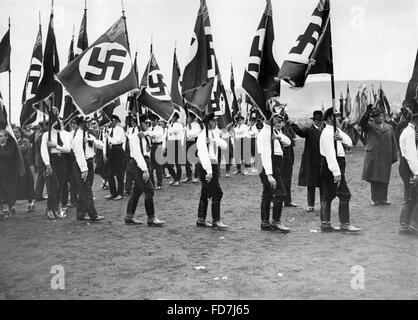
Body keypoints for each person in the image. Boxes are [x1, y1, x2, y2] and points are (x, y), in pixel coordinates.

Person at [319, 108, 361, 232]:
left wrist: (340, 138)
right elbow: (330, 155)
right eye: (336, 116)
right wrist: (336, 173)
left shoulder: (336, 130)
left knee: (329, 195)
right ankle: (344, 224)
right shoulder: (327, 133)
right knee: (345, 194)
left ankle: (325, 224)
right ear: (329, 119)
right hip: (331, 166)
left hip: (337, 165)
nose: (339, 118)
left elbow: (350, 142)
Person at [125, 114, 165, 226]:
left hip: (145, 161)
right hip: (138, 164)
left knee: (137, 191)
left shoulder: (147, 134)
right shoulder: (134, 137)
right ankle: (151, 218)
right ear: (140, 123)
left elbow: (159, 134)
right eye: (145, 123)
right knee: (149, 190)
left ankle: (129, 216)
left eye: (149, 123)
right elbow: (137, 154)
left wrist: (146, 133)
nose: (148, 125)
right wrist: (145, 170)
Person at [257, 110, 291, 232]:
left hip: (275, 163)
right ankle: (276, 221)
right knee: (280, 192)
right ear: (268, 118)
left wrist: (279, 136)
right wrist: (270, 175)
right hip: (268, 164)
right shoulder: (265, 133)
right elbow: (265, 154)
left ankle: (265, 222)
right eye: (275, 117)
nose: (278, 120)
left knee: (267, 193)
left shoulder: (274, 131)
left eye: (279, 117)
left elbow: (288, 142)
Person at [359, 105, 398, 206]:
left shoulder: (389, 127)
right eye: (376, 116)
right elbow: (362, 124)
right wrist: (367, 113)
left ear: (383, 115)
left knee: (384, 177)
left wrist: (394, 156)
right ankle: (374, 199)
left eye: (381, 115)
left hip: (386, 156)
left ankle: (383, 199)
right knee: (375, 178)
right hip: (374, 156)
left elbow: (393, 142)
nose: (379, 117)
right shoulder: (370, 126)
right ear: (373, 118)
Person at [195, 113, 228, 229]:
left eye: (216, 121)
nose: (215, 123)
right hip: (206, 166)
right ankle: (216, 220)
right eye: (213, 121)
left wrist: (213, 140)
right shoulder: (201, 136)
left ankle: (201, 219)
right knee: (217, 192)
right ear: (207, 123)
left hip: (213, 164)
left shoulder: (214, 134)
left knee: (206, 192)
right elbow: (203, 155)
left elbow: (224, 146)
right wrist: (209, 171)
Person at [71, 117, 105, 222]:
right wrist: (84, 169)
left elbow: (101, 145)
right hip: (82, 164)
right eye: (87, 122)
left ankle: (81, 214)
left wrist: (92, 140)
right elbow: (79, 153)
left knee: (85, 189)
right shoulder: (78, 137)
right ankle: (93, 215)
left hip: (89, 162)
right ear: (81, 123)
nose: (89, 124)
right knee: (87, 190)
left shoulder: (88, 135)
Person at [291, 110, 323, 212]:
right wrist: (293, 125)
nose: (319, 122)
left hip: (321, 160)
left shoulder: (324, 131)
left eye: (320, 120)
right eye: (317, 120)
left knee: (322, 183)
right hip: (311, 161)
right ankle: (310, 205)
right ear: (314, 121)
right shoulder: (308, 130)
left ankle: (323, 203)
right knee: (311, 183)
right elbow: (300, 132)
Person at [40, 120, 72, 219]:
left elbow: (67, 149)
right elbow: (43, 150)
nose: (59, 124)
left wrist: (55, 145)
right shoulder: (46, 134)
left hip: (61, 161)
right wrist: (47, 164)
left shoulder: (64, 134)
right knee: (54, 187)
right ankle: (49, 209)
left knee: (61, 186)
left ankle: (55, 209)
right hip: (51, 161)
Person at [398, 113, 418, 235]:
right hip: (409, 166)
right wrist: (416, 173)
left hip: (406, 166)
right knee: (413, 196)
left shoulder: (409, 131)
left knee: (411, 196)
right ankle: (413, 225)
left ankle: (405, 225)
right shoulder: (410, 133)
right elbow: (411, 155)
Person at [13, 126, 36, 212]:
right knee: (15, 185)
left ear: (21, 133)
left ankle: (30, 203)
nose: (15, 133)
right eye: (13, 132)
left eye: (16, 132)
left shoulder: (25, 141)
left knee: (28, 184)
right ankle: (12, 206)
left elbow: (22, 149)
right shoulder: (13, 142)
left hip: (25, 166)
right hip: (15, 167)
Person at [103, 115, 125, 200]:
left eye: (112, 121)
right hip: (111, 152)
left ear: (115, 121)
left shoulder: (119, 130)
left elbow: (116, 141)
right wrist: (105, 153)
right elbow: (105, 142)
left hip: (118, 151)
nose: (110, 123)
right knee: (109, 174)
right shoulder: (109, 130)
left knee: (119, 174)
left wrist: (108, 136)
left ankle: (120, 193)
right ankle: (113, 193)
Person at [0, 130, 19, 217]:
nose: (0, 138)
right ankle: (1, 210)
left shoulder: (11, 145)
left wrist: (2, 155)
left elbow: (10, 155)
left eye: (1, 136)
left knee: (9, 191)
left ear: (6, 137)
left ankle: (10, 209)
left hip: (9, 172)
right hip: (1, 173)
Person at [281, 111, 298, 207]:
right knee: (277, 180)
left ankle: (287, 201)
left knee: (287, 180)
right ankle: (274, 200)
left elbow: (292, 143)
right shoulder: (275, 131)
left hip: (288, 158)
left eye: (283, 120)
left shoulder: (288, 130)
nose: (282, 123)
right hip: (279, 159)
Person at [147, 116, 165, 190]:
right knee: (151, 166)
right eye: (151, 121)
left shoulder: (159, 128)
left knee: (158, 166)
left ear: (156, 121)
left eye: (153, 121)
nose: (152, 122)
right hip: (152, 146)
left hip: (158, 146)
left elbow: (158, 135)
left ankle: (159, 183)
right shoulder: (150, 128)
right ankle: (152, 184)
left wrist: (150, 134)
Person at [166, 112, 184, 186]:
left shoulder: (179, 125)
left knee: (177, 163)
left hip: (177, 143)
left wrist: (170, 129)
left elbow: (175, 131)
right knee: (168, 163)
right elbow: (169, 134)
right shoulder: (170, 125)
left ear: (176, 118)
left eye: (173, 117)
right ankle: (174, 177)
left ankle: (178, 179)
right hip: (171, 143)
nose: (171, 118)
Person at [183, 112, 201, 183]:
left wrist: (188, 131)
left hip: (194, 142)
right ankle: (188, 176)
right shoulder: (187, 125)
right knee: (187, 160)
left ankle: (196, 176)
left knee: (196, 159)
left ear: (192, 118)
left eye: (189, 117)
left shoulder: (196, 125)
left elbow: (195, 133)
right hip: (188, 142)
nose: (188, 119)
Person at [34, 120, 48, 201]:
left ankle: (38, 195)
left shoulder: (38, 135)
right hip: (42, 159)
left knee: (40, 178)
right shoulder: (41, 136)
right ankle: (38, 195)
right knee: (42, 178)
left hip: (39, 159)